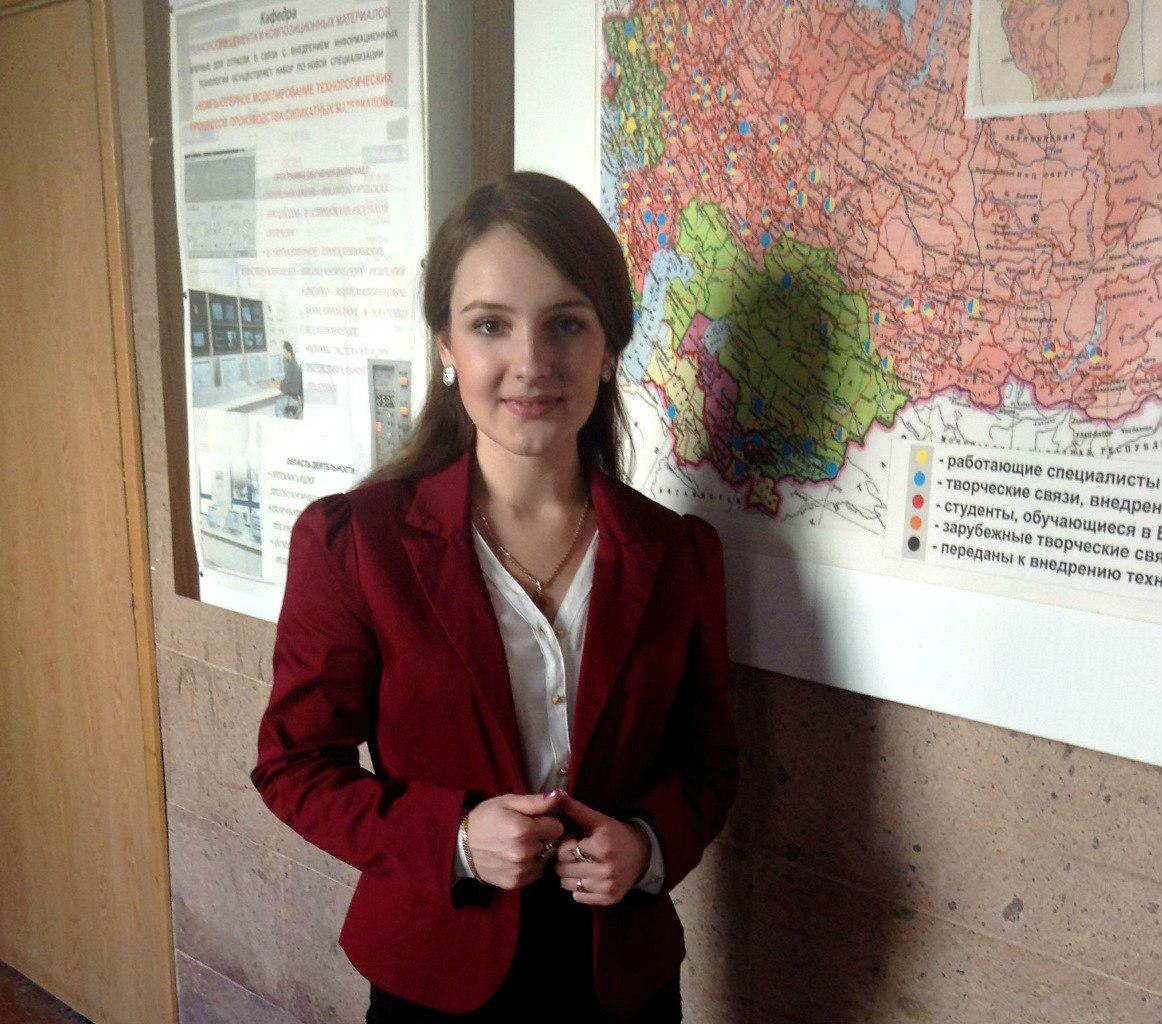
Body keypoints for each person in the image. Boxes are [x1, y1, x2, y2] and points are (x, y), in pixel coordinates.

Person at [250, 171, 739, 1022]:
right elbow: (294, 766)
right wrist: (454, 838)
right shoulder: (356, 542)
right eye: (490, 325)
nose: (532, 363)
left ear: (609, 344)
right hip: (435, 977)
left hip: (622, 980)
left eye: (567, 324)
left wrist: (648, 845)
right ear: (446, 344)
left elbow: (708, 764)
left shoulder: (679, 553)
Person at [275, 341, 303, 418]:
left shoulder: (291, 366)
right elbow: (288, 382)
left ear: (289, 353)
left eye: (284, 352)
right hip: (297, 400)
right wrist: (280, 383)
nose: (283, 355)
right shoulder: (294, 363)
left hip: (293, 400)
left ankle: (282, 423)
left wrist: (277, 385)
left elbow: (287, 388)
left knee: (278, 405)